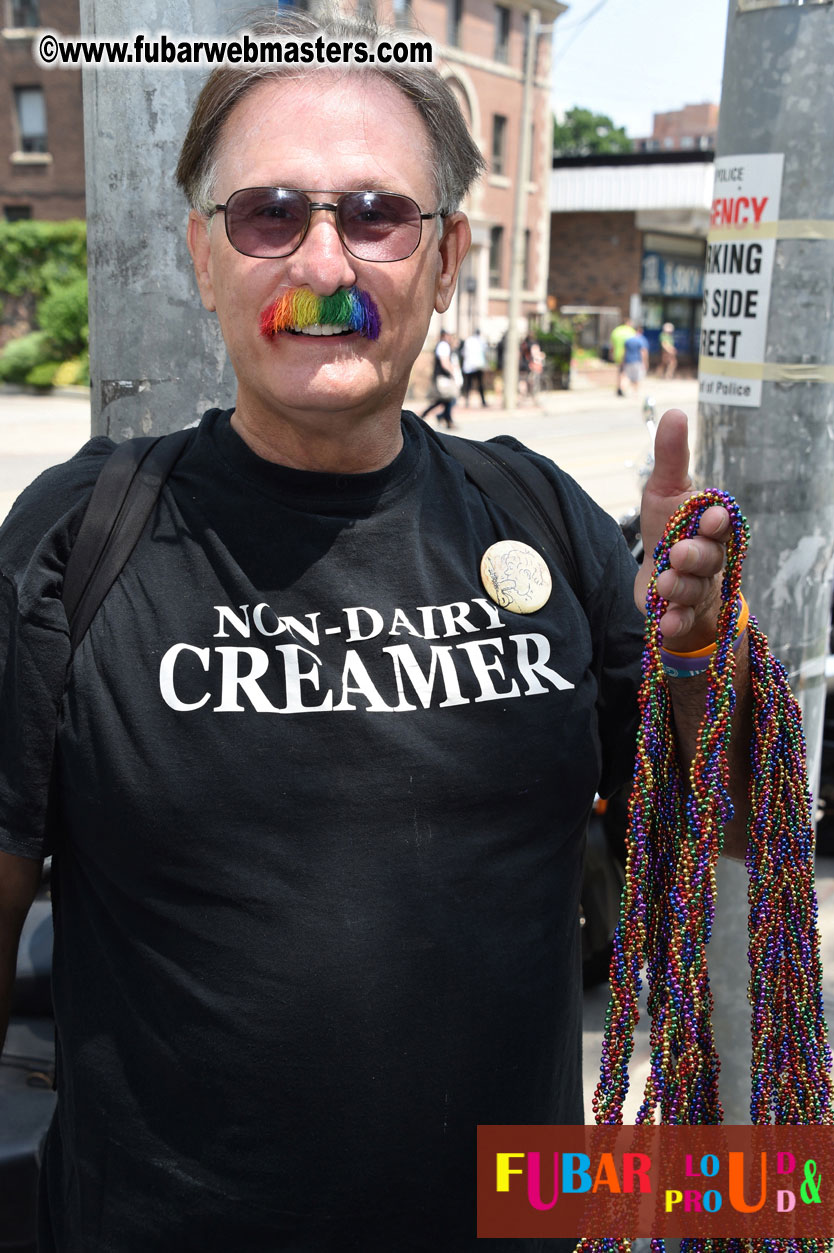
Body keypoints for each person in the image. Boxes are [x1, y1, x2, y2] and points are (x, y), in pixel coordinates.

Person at [0, 9, 751, 1251]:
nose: (325, 267)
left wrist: (696, 666)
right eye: (270, 215)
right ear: (203, 254)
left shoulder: (541, 515)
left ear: (447, 257)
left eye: (376, 216)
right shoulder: (83, 538)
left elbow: (701, 833)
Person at [420, 328, 459, 427]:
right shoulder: (443, 345)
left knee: (444, 400)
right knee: (450, 398)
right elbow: (444, 362)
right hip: (443, 377)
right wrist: (453, 373)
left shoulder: (443, 345)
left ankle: (442, 417)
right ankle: (446, 419)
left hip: (443, 376)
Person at [460, 327, 488, 407]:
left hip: (469, 365)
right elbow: (485, 352)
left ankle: (467, 401)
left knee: (468, 385)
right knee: (480, 384)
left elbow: (463, 353)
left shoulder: (469, 340)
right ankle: (482, 401)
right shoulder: (481, 340)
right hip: (478, 365)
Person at [609, 317, 635, 396]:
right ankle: (622, 387)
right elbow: (633, 345)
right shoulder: (631, 331)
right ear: (628, 323)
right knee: (626, 372)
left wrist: (611, 354)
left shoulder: (616, 331)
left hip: (617, 354)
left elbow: (612, 345)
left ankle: (619, 386)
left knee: (620, 371)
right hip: (628, 355)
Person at [622, 324, 650, 397]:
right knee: (637, 378)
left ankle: (623, 388)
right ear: (640, 331)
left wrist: (623, 361)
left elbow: (624, 352)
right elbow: (643, 352)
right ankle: (635, 393)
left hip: (628, 360)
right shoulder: (641, 340)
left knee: (627, 377)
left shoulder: (627, 340)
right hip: (637, 361)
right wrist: (645, 362)